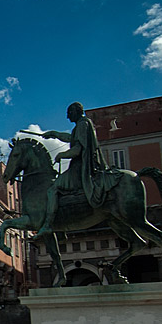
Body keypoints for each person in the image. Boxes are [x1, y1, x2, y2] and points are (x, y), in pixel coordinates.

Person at [36, 102, 120, 238]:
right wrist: (54, 134)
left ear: (76, 112)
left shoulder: (82, 124)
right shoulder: (83, 124)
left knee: (53, 189)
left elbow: (77, 149)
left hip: (81, 168)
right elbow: (71, 138)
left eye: (69, 113)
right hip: (83, 166)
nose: (68, 117)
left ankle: (48, 225)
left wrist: (61, 154)